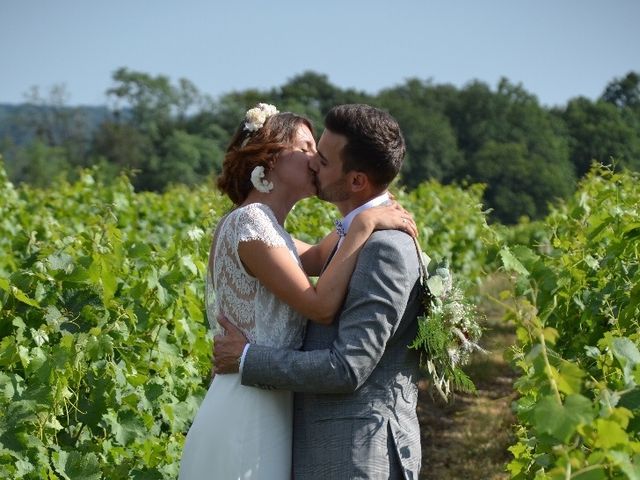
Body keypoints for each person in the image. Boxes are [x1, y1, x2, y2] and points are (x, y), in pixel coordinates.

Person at [178, 103, 416, 479]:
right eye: (305, 148)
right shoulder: (250, 223)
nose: (314, 160)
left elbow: (322, 259)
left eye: (318, 152)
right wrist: (361, 223)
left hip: (273, 399)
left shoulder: (271, 230)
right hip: (250, 404)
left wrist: (361, 219)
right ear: (271, 159)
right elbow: (319, 307)